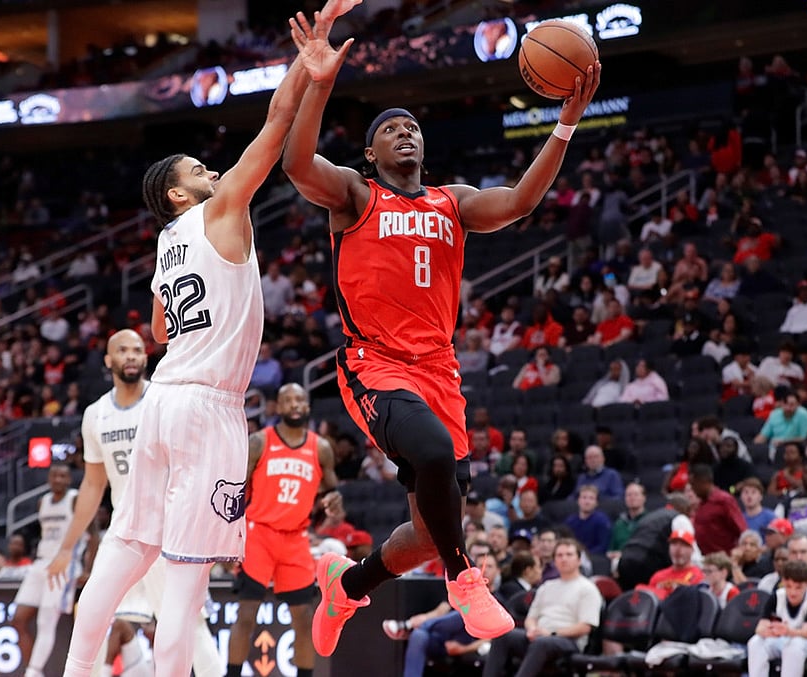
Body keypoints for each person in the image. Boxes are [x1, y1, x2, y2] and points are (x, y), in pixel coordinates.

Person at [282, 6, 600, 657]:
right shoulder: (356, 195)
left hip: (439, 369)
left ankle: (347, 584)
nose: (405, 134)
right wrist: (317, 83)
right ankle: (464, 577)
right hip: (374, 362)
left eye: (413, 128)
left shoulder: (451, 201)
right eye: (391, 130)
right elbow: (296, 165)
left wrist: (566, 122)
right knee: (431, 457)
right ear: (371, 152)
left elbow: (518, 202)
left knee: (426, 530)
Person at [60, 4, 362, 674]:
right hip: (208, 411)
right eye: (198, 168)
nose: (213, 171)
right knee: (185, 594)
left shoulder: (165, 246)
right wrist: (309, 68)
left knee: (122, 553)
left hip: (162, 403)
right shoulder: (222, 210)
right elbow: (277, 125)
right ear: (176, 194)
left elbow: (164, 329)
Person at [46, 330, 221, 677]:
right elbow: (93, 485)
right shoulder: (95, 414)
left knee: (188, 626)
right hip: (125, 531)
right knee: (90, 615)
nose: (131, 356)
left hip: (169, 533)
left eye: (137, 350)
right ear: (109, 361)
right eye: (122, 350)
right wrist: (67, 548)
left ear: (145, 358)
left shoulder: (166, 401)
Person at [226, 384, 339, 677]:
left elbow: (332, 491)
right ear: (278, 406)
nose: (294, 405)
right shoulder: (260, 442)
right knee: (246, 614)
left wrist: (332, 501)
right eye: (288, 400)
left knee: (303, 619)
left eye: (299, 399)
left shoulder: (321, 448)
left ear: (308, 405)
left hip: (295, 539)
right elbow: (236, 488)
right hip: (259, 534)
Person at [13, 463, 95, 677]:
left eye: (63, 476)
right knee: (19, 618)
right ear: (49, 478)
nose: (58, 480)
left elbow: (93, 537)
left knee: (45, 621)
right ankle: (33, 669)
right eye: (54, 476)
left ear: (69, 479)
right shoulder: (43, 502)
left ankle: (33, 671)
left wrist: (88, 570)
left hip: (64, 564)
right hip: (41, 563)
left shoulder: (76, 499)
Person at [481, 538, 602, 677]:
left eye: (569, 555)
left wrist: (551, 633)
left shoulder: (588, 589)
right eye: (560, 555)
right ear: (554, 560)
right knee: (503, 635)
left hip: (568, 641)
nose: (564, 559)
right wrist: (532, 630)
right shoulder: (546, 586)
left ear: (579, 560)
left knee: (542, 643)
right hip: (539, 636)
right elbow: (531, 618)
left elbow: (585, 627)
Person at [746, 561, 807, 677]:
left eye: (798, 587)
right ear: (783, 582)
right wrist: (769, 631)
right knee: (755, 642)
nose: (793, 592)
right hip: (784, 639)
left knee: (794, 645)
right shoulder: (777, 596)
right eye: (789, 586)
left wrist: (787, 631)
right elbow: (759, 628)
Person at [640, 530, 705, 600]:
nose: (678, 549)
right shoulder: (658, 576)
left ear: (692, 550)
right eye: (674, 544)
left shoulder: (699, 576)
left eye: (683, 545)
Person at [564, 485, 613, 555]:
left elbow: (603, 546)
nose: (587, 501)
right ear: (578, 500)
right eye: (584, 497)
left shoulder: (602, 521)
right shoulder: (570, 521)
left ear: (596, 503)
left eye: (591, 498)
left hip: (594, 558)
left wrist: (584, 556)